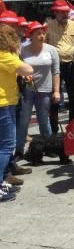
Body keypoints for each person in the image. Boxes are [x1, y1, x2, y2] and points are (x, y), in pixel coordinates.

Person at [15, 22, 61, 158]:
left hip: (45, 91)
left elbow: (56, 72)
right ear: (30, 35)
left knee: (44, 120)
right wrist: (23, 75)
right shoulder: (22, 50)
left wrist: (57, 91)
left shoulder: (52, 50)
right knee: (24, 122)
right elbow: (17, 68)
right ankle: (19, 150)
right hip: (27, 91)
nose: (42, 36)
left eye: (43, 33)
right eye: (38, 34)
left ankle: (48, 147)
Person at [0, 24, 33, 202]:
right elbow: (28, 69)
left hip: (5, 102)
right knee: (6, 146)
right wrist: (16, 53)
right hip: (4, 103)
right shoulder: (5, 55)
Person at [45, 0, 74, 130]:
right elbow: (43, 45)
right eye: (61, 12)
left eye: (66, 12)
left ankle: (72, 127)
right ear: (55, 13)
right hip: (54, 66)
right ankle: (54, 129)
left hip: (71, 65)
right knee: (54, 97)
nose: (65, 14)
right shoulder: (48, 25)